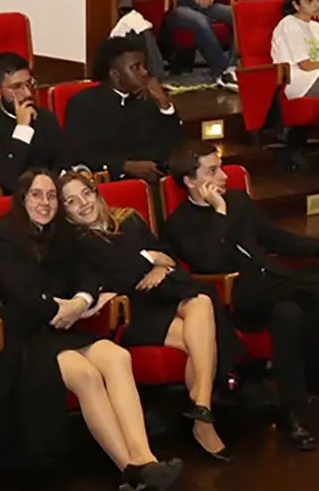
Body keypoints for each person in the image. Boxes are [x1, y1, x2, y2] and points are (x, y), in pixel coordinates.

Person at [163, 142, 319, 452]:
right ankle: (292, 412)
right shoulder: (178, 223)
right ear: (189, 180)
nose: (224, 177)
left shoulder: (240, 201)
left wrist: (317, 248)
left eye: (222, 167)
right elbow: (210, 261)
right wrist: (219, 213)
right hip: (241, 297)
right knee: (289, 315)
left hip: (280, 282)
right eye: (212, 171)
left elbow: (272, 236)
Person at [0, 169, 183, 488]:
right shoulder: (2, 235)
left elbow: (88, 277)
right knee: (85, 374)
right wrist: (61, 309)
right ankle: (129, 468)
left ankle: (144, 459)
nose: (45, 202)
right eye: (36, 195)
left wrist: (80, 302)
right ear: (22, 198)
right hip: (20, 337)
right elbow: (22, 292)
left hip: (61, 328)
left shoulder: (62, 234)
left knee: (116, 357)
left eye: (51, 195)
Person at [59, 171, 240, 460]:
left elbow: (167, 255)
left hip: (160, 294)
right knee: (198, 337)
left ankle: (202, 405)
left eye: (85, 193)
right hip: (130, 312)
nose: (82, 203)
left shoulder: (128, 219)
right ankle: (203, 419)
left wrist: (159, 267)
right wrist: (147, 259)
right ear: (65, 213)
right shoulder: (76, 241)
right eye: (70, 201)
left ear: (96, 193)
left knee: (202, 302)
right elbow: (115, 275)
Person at [63, 37, 183, 181]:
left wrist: (164, 104)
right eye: (136, 67)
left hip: (154, 181)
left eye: (144, 66)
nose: (144, 72)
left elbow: (174, 146)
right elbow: (79, 155)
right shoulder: (83, 104)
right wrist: (125, 166)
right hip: (110, 183)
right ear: (115, 74)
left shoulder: (147, 99)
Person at [0, 53, 72, 192]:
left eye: (29, 83)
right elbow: (7, 178)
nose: (28, 93)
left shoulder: (46, 117)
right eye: (17, 87)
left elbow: (64, 163)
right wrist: (23, 129)